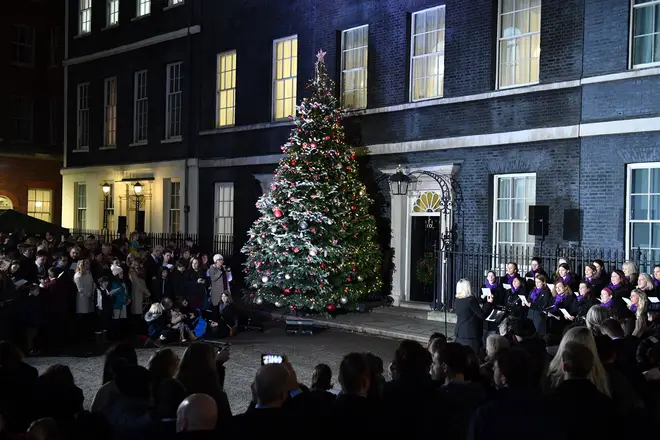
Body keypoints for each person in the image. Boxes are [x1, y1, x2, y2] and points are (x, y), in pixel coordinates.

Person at [454, 279, 491, 355]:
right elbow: (481, 315)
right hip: (471, 334)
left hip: (460, 332)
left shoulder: (457, 300)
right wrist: (489, 303)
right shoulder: (470, 300)